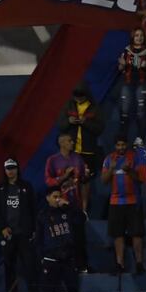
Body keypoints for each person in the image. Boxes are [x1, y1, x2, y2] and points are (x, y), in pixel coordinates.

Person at [0, 158, 38, 292]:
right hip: (8, 234)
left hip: (24, 233)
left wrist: (33, 229)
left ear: (17, 169)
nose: (10, 171)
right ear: (4, 170)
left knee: (29, 265)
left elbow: (33, 208)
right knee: (9, 266)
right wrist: (2, 228)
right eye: (8, 168)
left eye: (12, 168)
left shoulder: (26, 187)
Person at [44, 132, 88, 272]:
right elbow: (48, 182)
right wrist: (64, 176)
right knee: (64, 238)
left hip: (75, 204)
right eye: (69, 140)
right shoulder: (53, 160)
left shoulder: (78, 159)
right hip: (59, 207)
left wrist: (84, 206)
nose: (72, 143)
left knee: (79, 237)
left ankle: (82, 266)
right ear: (61, 143)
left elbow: (84, 182)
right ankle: (65, 266)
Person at [57, 82, 105, 212]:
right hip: (71, 151)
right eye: (76, 97)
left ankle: (83, 210)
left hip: (87, 151)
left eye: (80, 97)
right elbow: (60, 125)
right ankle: (70, 208)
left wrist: (86, 123)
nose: (78, 99)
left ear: (86, 95)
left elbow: (100, 128)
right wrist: (68, 121)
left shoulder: (94, 108)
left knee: (85, 181)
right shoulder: (68, 106)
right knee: (69, 180)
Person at [101, 137, 145, 275]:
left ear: (127, 145)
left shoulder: (135, 157)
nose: (121, 147)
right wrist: (111, 169)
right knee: (118, 234)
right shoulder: (109, 159)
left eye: (123, 144)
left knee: (137, 234)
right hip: (116, 202)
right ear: (115, 145)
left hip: (133, 201)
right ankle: (120, 264)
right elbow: (104, 180)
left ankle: (139, 263)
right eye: (118, 145)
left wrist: (129, 170)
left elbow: (140, 178)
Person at [37, 186, 82, 292]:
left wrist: (69, 205)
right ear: (48, 198)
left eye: (59, 196)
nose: (58, 199)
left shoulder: (67, 211)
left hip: (68, 259)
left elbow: (81, 219)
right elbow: (39, 239)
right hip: (51, 260)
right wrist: (41, 258)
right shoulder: (42, 215)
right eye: (55, 197)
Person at [118, 27, 146, 146]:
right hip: (127, 82)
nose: (139, 38)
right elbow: (120, 68)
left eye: (141, 35)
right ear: (133, 37)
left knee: (141, 111)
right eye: (137, 35)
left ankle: (140, 137)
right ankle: (122, 138)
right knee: (124, 110)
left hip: (142, 83)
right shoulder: (127, 50)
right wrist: (122, 65)